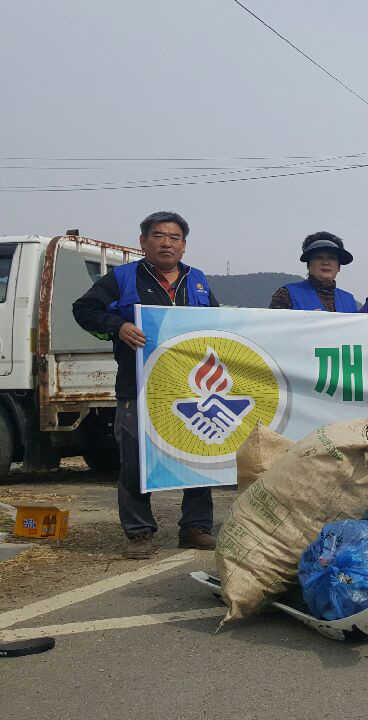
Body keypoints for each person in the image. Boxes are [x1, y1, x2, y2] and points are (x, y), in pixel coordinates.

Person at [72, 211, 219, 559]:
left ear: (184, 245)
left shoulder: (197, 280)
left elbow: (217, 321)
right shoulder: (121, 278)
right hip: (137, 385)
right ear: (143, 241)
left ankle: (195, 527)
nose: (167, 243)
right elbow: (84, 309)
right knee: (136, 458)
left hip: (190, 388)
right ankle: (139, 533)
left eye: (174, 237)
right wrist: (118, 326)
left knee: (198, 455)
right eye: (158, 236)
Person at [269, 231, 359, 312]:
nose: (326, 262)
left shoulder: (349, 300)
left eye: (332, 258)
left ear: (339, 267)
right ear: (308, 265)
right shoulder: (286, 294)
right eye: (319, 257)